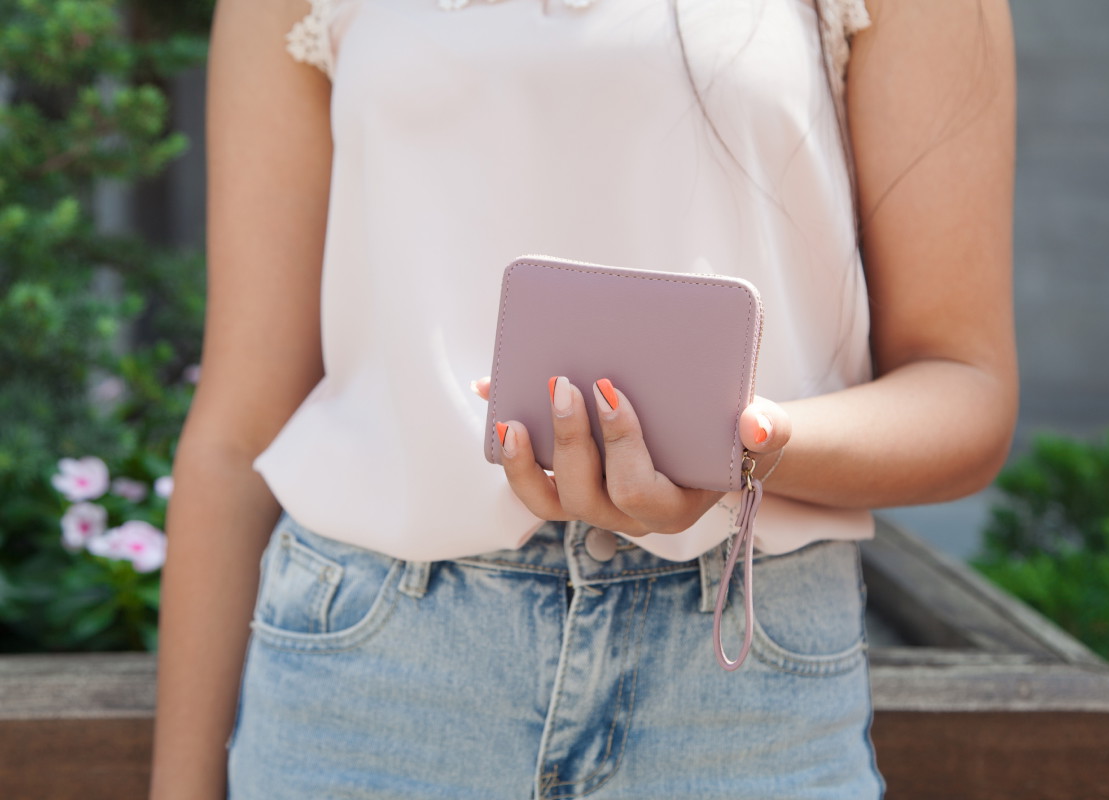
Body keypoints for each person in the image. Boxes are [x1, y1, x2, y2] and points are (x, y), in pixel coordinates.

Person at [149, 0, 1017, 796]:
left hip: (740, 682)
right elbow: (238, 431)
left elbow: (964, 390)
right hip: (373, 683)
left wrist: (748, 447)